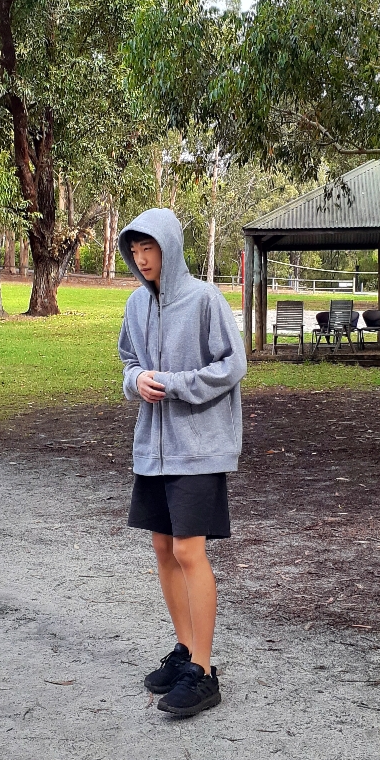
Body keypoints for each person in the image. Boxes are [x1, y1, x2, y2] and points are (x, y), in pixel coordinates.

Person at [117, 208, 247, 718]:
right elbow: (128, 361)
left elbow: (233, 365)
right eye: (134, 250)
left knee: (189, 551)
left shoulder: (204, 299)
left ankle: (204, 672)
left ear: (169, 247)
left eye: (149, 248)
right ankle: (185, 649)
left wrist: (173, 384)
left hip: (198, 447)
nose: (141, 258)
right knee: (163, 548)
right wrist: (136, 381)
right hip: (153, 449)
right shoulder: (135, 304)